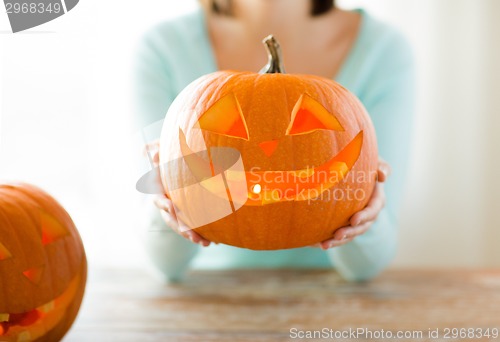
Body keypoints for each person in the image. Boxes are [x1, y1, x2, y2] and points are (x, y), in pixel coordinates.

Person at [133, 0, 414, 282]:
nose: (269, 148)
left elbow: (366, 266)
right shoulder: (162, 47)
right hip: (209, 294)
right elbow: (164, 263)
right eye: (232, 128)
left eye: (308, 126)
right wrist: (168, 191)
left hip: (328, 298)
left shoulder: (383, 50)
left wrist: (364, 213)